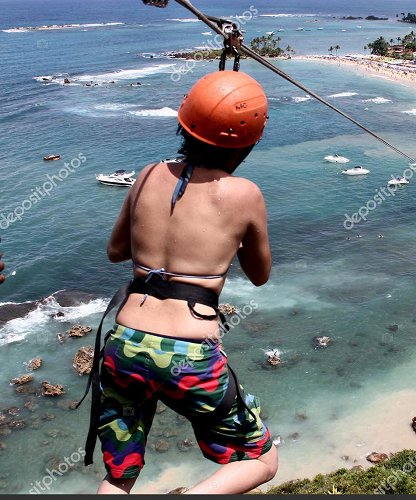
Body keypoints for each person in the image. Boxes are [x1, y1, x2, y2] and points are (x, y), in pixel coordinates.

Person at [89, 71, 277, 494]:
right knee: (262, 458)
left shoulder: (147, 173)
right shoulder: (245, 193)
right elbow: (260, 275)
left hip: (126, 341)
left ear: (184, 123)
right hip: (188, 354)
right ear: (248, 144)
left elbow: (116, 251)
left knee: (120, 476)